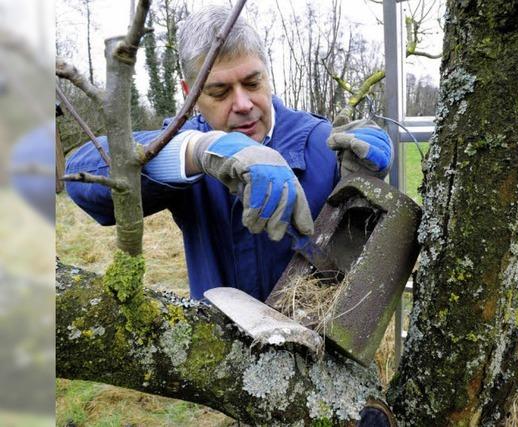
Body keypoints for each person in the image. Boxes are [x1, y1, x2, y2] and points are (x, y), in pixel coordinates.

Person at [65, 5, 392, 302]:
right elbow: (84, 179)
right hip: (219, 354)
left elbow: (367, 257)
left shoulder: (322, 142)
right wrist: (199, 150)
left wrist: (366, 184)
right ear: (189, 93)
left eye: (252, 83)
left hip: (317, 349)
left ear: (267, 73)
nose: (243, 104)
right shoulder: (184, 145)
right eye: (219, 92)